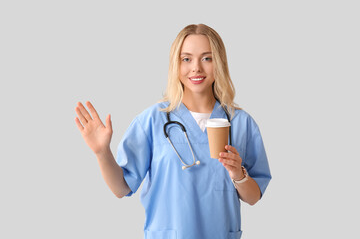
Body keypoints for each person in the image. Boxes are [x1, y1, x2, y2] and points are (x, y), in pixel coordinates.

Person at [75, 24, 271, 239]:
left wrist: (238, 175)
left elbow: (253, 197)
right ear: (175, 65)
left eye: (207, 58)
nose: (196, 68)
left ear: (220, 63)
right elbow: (121, 188)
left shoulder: (241, 123)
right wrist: (102, 152)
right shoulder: (151, 121)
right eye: (186, 59)